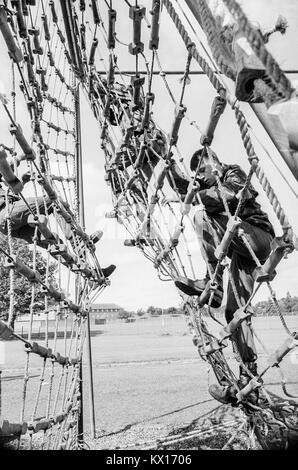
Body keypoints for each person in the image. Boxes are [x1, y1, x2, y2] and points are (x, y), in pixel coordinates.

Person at [168, 148, 275, 404]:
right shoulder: (208, 185)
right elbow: (186, 188)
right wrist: (169, 165)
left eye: (203, 171)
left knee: (201, 217)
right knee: (235, 314)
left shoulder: (233, 173)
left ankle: (212, 283)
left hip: (256, 238)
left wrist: (195, 194)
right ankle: (248, 378)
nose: (201, 178)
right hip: (240, 250)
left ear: (214, 163)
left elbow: (227, 195)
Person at [0, 168, 116, 279]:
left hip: (7, 223)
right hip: (6, 212)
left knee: (53, 243)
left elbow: (10, 192)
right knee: (53, 201)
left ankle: (90, 274)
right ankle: (78, 242)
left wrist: (23, 180)